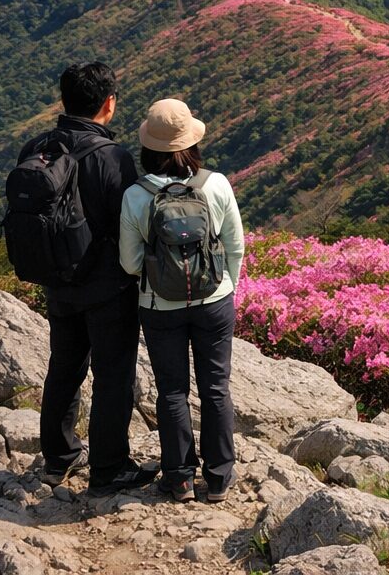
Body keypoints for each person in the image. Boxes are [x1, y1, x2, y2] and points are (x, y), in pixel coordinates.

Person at [16, 62, 155, 496]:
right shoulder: (112, 157)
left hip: (56, 282)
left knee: (63, 369)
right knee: (112, 376)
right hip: (107, 288)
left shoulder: (35, 148)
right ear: (108, 104)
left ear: (64, 100)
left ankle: (59, 458)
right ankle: (109, 468)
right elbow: (129, 226)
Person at [120, 99, 244, 504]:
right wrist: (228, 289)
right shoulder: (216, 184)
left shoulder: (136, 196)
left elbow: (130, 261)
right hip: (215, 301)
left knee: (172, 391)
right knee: (215, 388)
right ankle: (220, 476)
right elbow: (235, 246)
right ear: (191, 142)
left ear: (148, 147)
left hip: (159, 308)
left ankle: (180, 479)